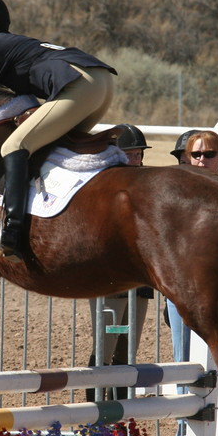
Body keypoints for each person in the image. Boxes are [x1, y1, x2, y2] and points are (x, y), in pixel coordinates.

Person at [0, 0, 117, 261]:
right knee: (52, 151)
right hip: (100, 81)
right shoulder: (10, 45)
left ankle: (12, 233)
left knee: (15, 145)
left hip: (79, 84)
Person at [166, 129, 218, 436]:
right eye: (195, 155)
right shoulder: (172, 194)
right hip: (178, 288)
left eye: (208, 155)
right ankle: (182, 431)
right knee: (183, 357)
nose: (201, 161)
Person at [87, 124, 153, 401]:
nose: (135, 160)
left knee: (128, 350)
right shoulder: (103, 187)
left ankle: (124, 416)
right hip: (111, 282)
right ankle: (94, 411)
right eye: (129, 154)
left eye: (138, 154)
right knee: (106, 345)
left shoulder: (149, 185)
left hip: (139, 282)